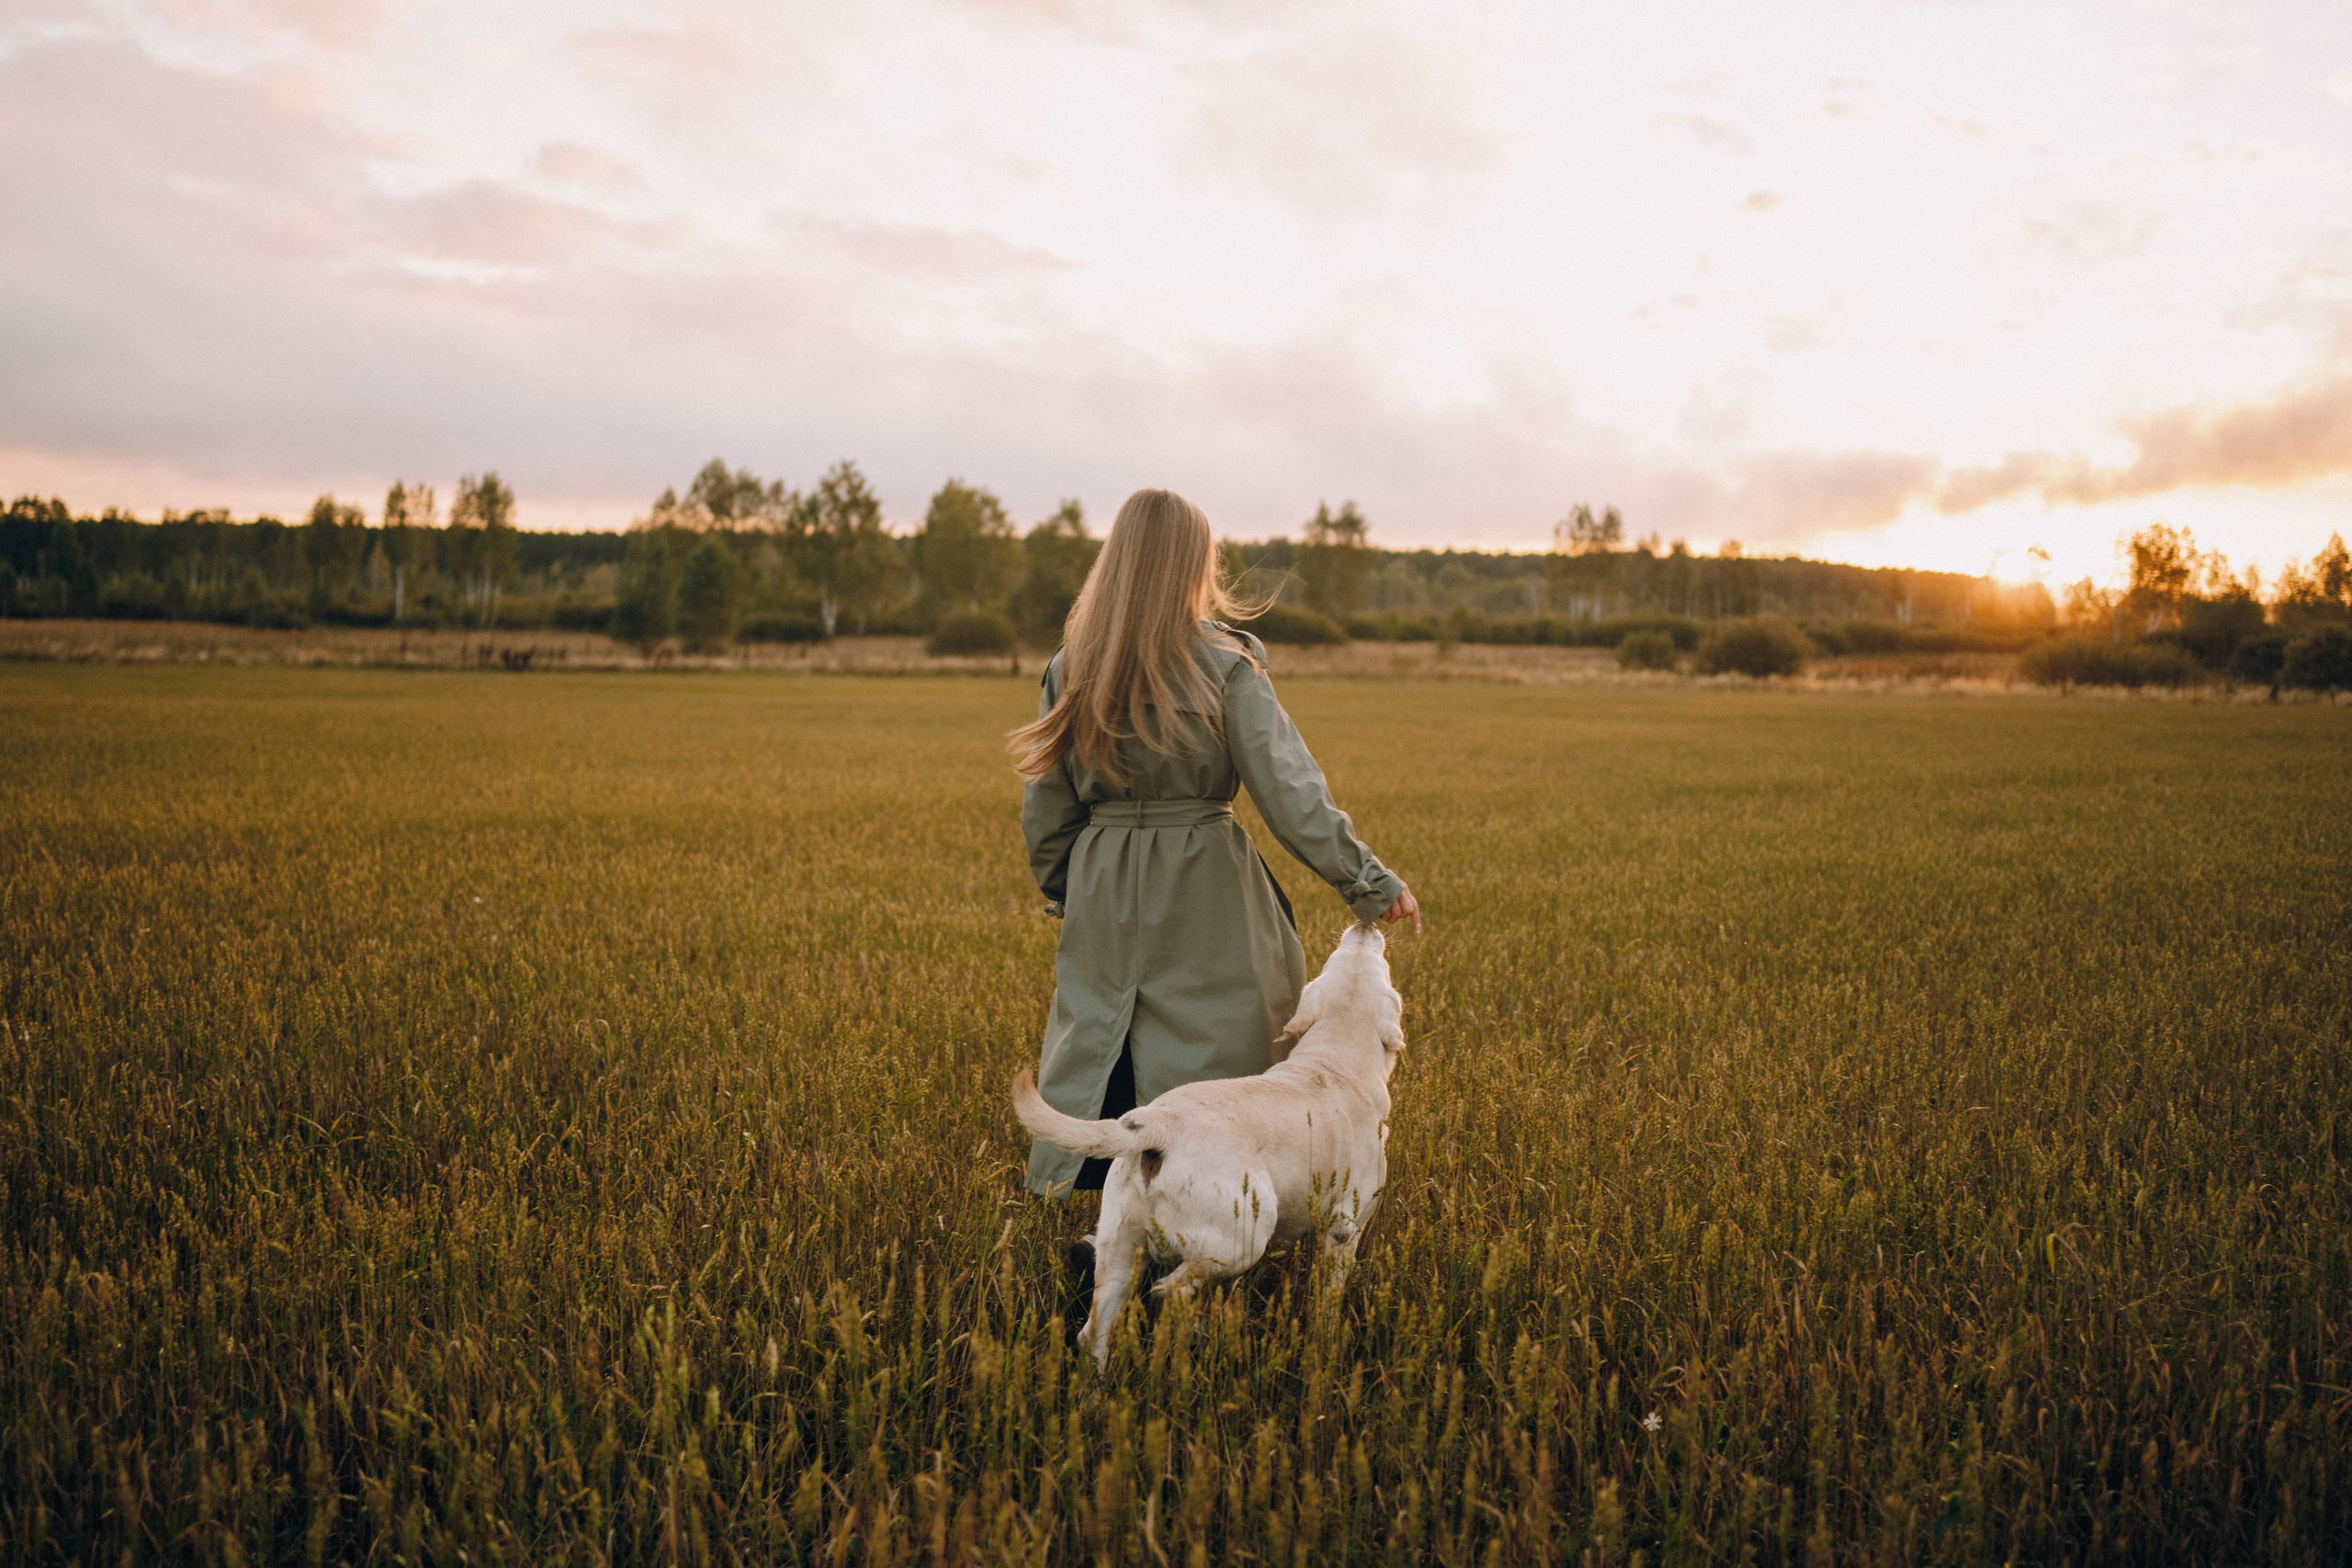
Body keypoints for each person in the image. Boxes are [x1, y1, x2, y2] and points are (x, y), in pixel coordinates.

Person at [1009, 488, 1420, 1198]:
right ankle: (1199, 1211)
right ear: (1194, 566)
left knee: (1107, 1046)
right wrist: (1369, 882)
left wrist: (1071, 896)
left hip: (1103, 883)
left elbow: (1046, 814)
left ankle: (1104, 1229)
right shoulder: (1228, 663)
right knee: (1218, 1055)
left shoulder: (1070, 665)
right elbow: (1291, 794)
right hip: (1207, 884)